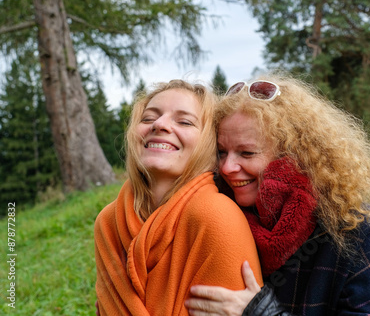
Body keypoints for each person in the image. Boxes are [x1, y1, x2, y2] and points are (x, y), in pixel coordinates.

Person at [184, 74, 370, 315]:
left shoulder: (360, 237)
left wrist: (261, 312)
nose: (227, 167)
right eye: (221, 152)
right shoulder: (219, 214)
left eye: (247, 153)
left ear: (295, 156)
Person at [94, 79, 262, 315]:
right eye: (148, 118)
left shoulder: (216, 216)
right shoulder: (109, 222)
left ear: (208, 144)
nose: (160, 125)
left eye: (184, 121)